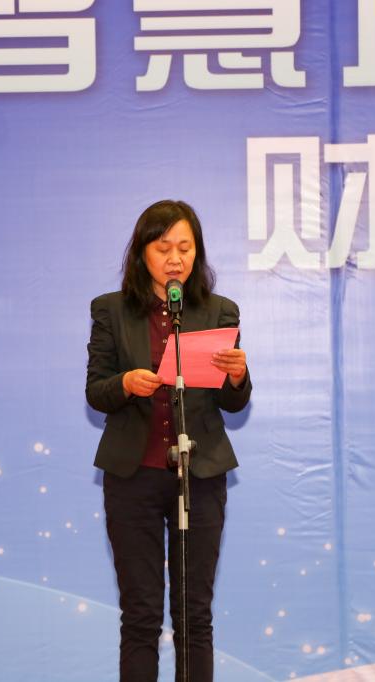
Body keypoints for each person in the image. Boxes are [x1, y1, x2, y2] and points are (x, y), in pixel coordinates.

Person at [86, 199, 252, 682]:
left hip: (199, 477)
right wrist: (125, 384)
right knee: (140, 615)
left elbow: (233, 404)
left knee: (194, 616)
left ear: (197, 252)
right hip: (132, 477)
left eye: (185, 247)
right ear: (142, 253)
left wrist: (237, 376)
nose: (175, 258)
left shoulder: (219, 311)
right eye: (163, 248)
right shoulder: (111, 310)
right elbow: (96, 390)